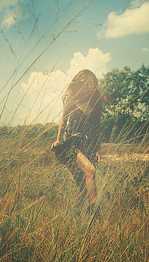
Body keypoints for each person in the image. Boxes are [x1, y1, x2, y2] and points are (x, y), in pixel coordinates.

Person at [51, 69, 104, 209]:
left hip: (89, 145)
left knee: (84, 185)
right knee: (90, 170)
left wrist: (98, 149)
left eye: (93, 84)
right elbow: (63, 120)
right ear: (80, 84)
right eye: (87, 84)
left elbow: (97, 127)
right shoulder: (72, 100)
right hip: (71, 145)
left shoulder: (96, 103)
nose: (90, 87)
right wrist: (58, 140)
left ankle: (76, 215)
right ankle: (95, 212)